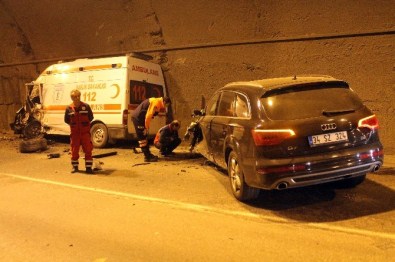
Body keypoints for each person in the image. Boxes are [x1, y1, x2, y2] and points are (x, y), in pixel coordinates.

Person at [131, 96, 171, 162]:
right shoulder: (156, 103)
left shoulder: (157, 102)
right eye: (167, 105)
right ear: (164, 102)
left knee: (145, 137)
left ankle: (148, 154)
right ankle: (147, 157)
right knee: (142, 138)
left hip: (141, 118)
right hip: (138, 118)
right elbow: (148, 116)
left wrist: (146, 127)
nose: (166, 107)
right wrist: (146, 128)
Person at [64, 89, 94, 174]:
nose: (76, 98)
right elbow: (66, 120)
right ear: (71, 98)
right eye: (74, 96)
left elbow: (91, 118)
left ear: (80, 96)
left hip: (85, 133)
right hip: (75, 134)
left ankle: (88, 168)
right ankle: (75, 167)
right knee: (74, 150)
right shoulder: (69, 108)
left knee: (88, 150)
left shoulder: (86, 106)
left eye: (78, 96)